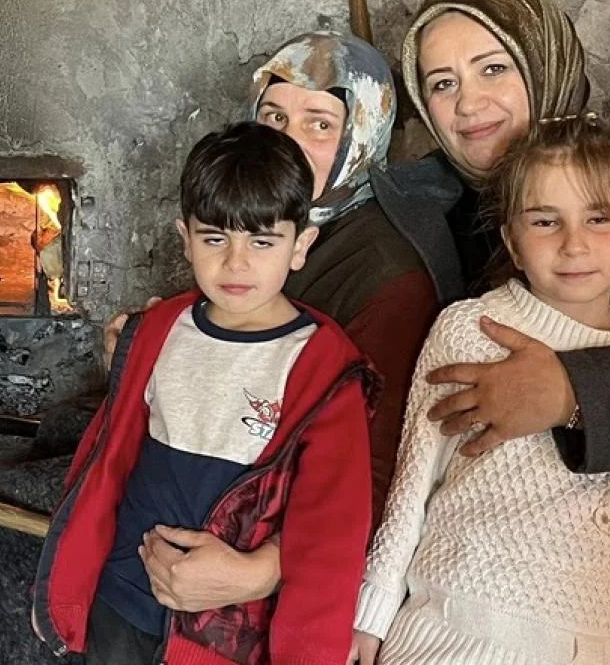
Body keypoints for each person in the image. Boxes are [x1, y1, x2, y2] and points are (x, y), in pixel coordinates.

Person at [111, 0, 610, 664]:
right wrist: (180, 337)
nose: (469, 103)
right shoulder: (419, 207)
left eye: (493, 68)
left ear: (545, 60)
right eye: (443, 83)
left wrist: (573, 393)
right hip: (450, 604)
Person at [350, 118, 610, 665]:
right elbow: (413, 484)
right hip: (446, 636)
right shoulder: (469, 331)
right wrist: (371, 614)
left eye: (599, 218)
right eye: (545, 221)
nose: (574, 244)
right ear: (512, 242)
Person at [32, 122, 375, 665]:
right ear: (185, 238)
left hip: (222, 638)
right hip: (120, 602)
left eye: (262, 241)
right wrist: (70, 584)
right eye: (215, 238)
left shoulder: (322, 368)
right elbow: (109, 459)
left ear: (301, 246)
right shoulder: (157, 330)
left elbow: (330, 537)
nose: (236, 263)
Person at [130, 33, 446, 615]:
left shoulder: (388, 274)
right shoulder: (255, 219)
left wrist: (265, 570)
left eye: (320, 124)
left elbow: (374, 469)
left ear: (362, 138)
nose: (287, 142)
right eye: (274, 116)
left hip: (263, 542)